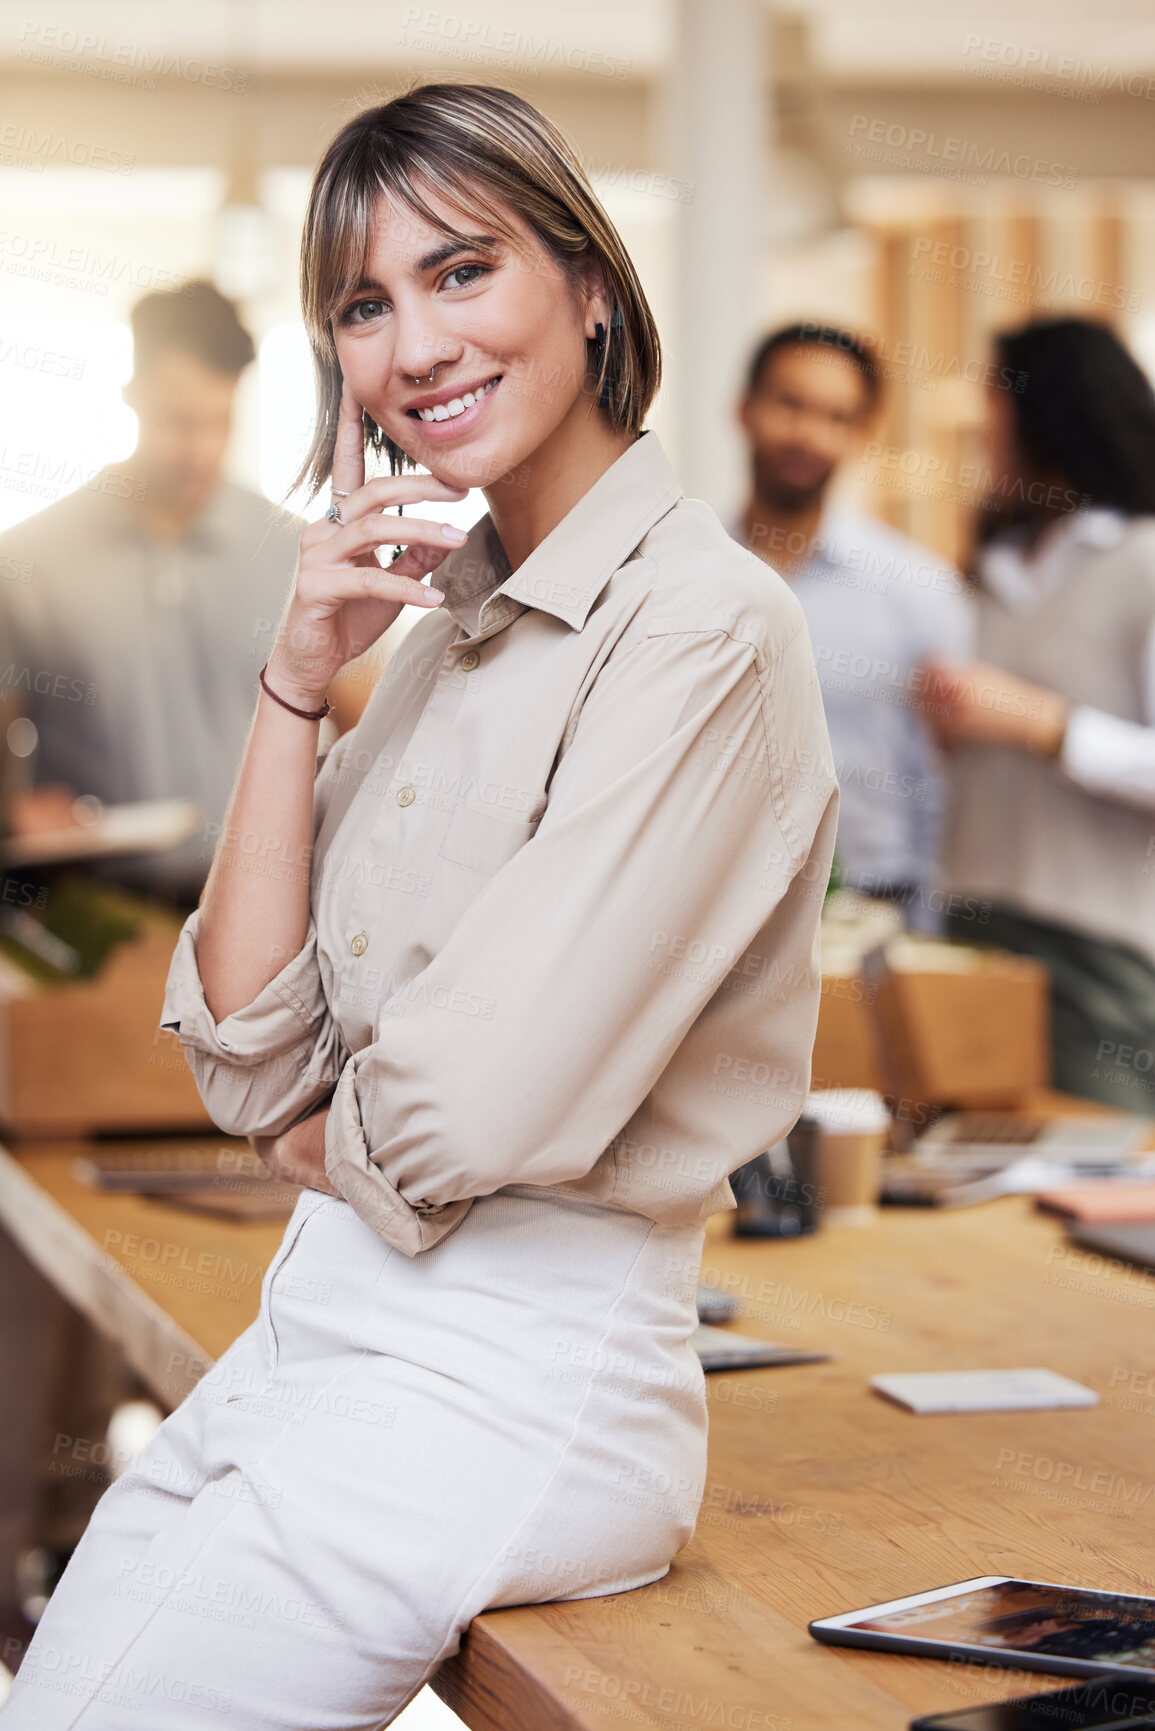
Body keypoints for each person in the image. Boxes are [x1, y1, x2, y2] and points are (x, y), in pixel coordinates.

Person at [1, 84, 838, 1729]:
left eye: (463, 273)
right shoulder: (446, 633)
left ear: (591, 286)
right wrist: (293, 687)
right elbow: (249, 1045)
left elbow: (464, 1101)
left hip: (517, 1377)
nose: (413, 345)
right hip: (327, 1328)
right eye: (366, 306)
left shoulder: (701, 629)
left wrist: (313, 1127)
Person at [0, 281, 301, 906]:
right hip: (89, 914)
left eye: (218, 421)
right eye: (176, 420)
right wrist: (13, 810)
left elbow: (368, 719)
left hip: (258, 905)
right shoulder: (29, 559)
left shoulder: (291, 551)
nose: (199, 451)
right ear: (131, 397)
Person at [928, 318, 1155, 1112]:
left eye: (993, 405)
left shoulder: (1142, 563)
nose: (981, 431)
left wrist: (1042, 724)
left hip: (1091, 948)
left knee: (1090, 1184)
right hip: (971, 925)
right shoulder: (990, 571)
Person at [735, 323, 973, 924]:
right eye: (789, 404)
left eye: (837, 418)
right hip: (717, 910)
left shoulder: (918, 591)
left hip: (876, 914)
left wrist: (930, 927)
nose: (808, 434)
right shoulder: (681, 570)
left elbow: (946, 776)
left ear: (863, 435)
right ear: (745, 408)